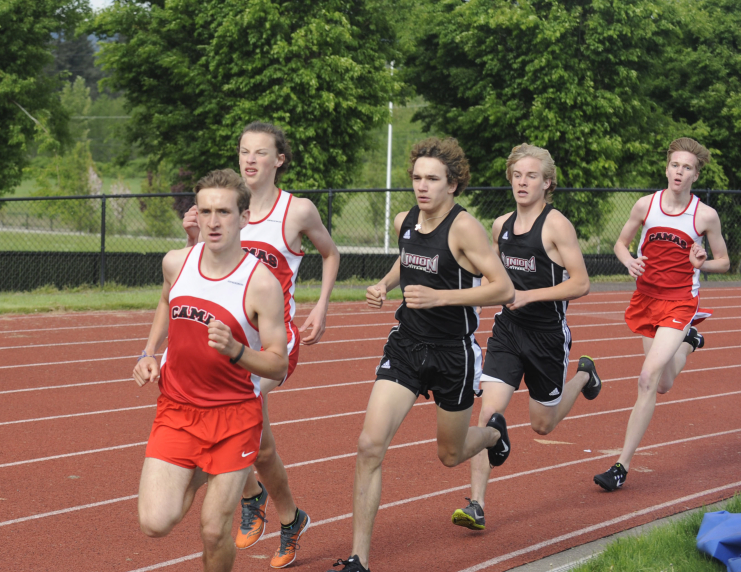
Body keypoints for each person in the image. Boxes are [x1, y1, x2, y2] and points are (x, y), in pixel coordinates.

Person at [328, 137, 515, 572]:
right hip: (407, 346)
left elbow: (502, 288)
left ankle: (493, 434)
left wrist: (440, 298)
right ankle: (358, 558)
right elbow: (408, 258)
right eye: (416, 178)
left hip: (454, 354)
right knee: (369, 446)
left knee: (449, 456)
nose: (422, 186)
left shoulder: (465, 227)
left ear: (453, 184)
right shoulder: (404, 220)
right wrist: (384, 285)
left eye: (433, 179)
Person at [183, 122, 340, 568]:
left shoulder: (298, 211)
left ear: (279, 160)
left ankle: (249, 496)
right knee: (263, 447)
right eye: (243, 151)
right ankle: (287, 516)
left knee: (226, 415)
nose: (249, 160)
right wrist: (193, 236)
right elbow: (201, 268)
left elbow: (331, 253)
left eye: (260, 153)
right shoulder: (227, 208)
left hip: (274, 346)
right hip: (228, 343)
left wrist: (321, 307)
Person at [132, 169, 289, 572]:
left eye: (223, 211)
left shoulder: (261, 284)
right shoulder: (176, 263)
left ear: (245, 216)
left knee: (214, 531)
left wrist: (237, 350)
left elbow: (278, 361)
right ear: (196, 215)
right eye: (205, 211)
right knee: (154, 522)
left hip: (234, 416)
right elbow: (167, 303)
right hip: (177, 410)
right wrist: (149, 352)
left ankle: (225, 470)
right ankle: (207, 471)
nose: (214, 221)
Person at [450, 144, 602, 531]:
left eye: (531, 176)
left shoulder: (556, 225)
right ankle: (476, 504)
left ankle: (584, 375)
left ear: (547, 182)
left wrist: (531, 295)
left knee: (542, 425)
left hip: (547, 336)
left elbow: (582, 282)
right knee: (488, 413)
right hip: (508, 331)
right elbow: (494, 275)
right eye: (517, 175)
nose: (522, 182)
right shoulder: (501, 225)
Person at [593, 137, 729, 491]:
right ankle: (689, 339)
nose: (679, 172)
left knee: (646, 378)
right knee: (664, 384)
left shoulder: (704, 215)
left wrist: (704, 263)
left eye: (687, 167)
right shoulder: (645, 205)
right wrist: (629, 262)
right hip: (647, 299)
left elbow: (725, 261)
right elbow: (620, 244)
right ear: (666, 168)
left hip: (682, 300)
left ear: (696, 175)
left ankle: (621, 466)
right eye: (675, 165)